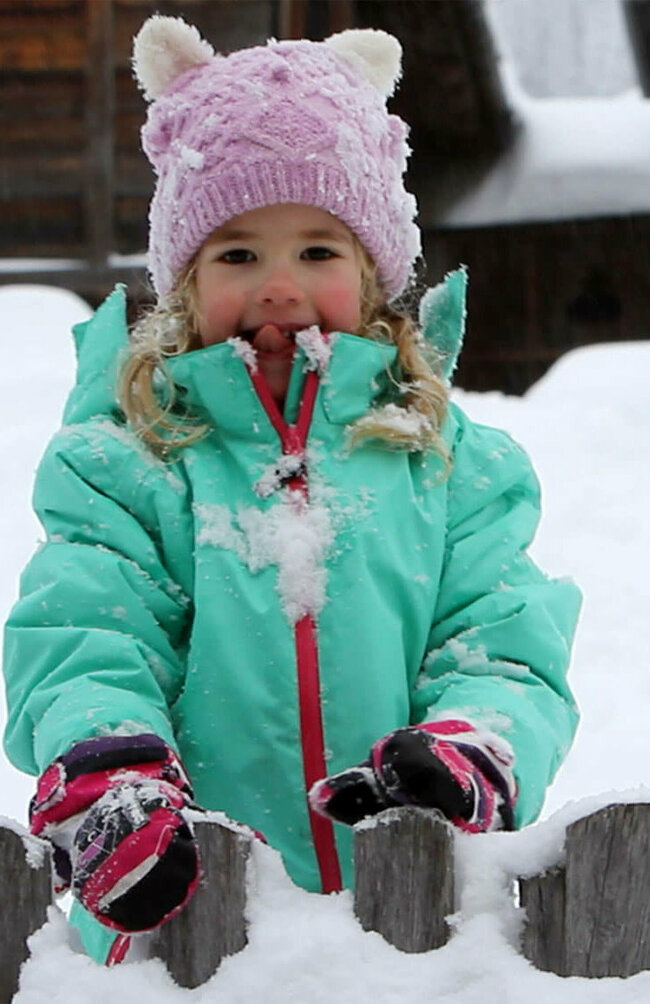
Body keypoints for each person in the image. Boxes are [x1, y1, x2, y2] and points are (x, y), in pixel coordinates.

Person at [2, 16, 581, 966]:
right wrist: (111, 767)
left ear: (375, 276)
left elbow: (501, 638)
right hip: (183, 938)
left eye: (318, 252)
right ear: (186, 283)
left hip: (406, 935)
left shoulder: (450, 465)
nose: (278, 285)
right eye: (237, 255)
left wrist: (469, 744)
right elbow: (88, 632)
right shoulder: (128, 462)